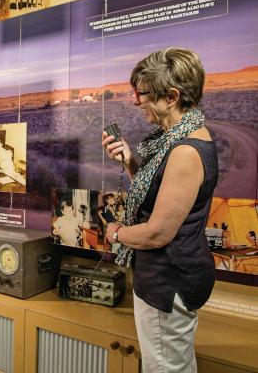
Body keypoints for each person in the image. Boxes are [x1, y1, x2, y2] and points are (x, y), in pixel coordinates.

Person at [102, 48, 218, 372]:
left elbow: (157, 232)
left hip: (168, 280)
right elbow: (158, 195)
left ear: (172, 96)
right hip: (166, 276)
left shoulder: (184, 151)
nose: (136, 101)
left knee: (166, 367)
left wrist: (116, 232)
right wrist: (128, 161)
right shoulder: (175, 139)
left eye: (142, 94)